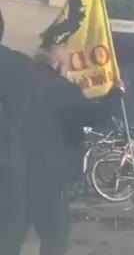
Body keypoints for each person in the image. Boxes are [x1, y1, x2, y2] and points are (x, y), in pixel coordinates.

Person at [0, 27, 122, 255]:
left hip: (13, 178)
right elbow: (96, 117)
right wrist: (117, 93)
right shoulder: (64, 89)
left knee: (8, 240)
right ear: (59, 64)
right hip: (49, 181)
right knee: (54, 240)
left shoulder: (18, 78)